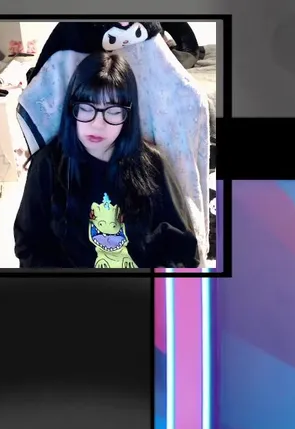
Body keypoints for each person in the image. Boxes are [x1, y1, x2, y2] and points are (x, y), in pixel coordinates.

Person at [14, 51, 200, 269]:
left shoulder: (152, 165)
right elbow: (29, 244)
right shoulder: (48, 165)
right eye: (86, 108)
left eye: (112, 111)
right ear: (72, 108)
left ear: (127, 116)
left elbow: (183, 249)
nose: (97, 124)